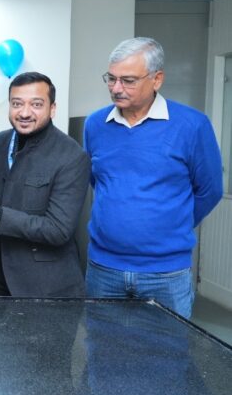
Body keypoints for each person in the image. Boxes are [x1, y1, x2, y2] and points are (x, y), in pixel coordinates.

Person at [84, 37, 223, 318]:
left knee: (167, 346)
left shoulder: (192, 125)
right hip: (104, 269)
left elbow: (210, 191)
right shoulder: (95, 125)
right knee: (102, 344)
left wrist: (171, 224)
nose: (116, 88)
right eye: (111, 79)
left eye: (128, 80)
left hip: (166, 274)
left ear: (156, 79)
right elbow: (97, 181)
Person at [0, 72, 89, 297]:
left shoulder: (71, 156)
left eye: (36, 104)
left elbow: (58, 230)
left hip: (47, 284)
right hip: (1, 275)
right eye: (17, 104)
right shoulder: (1, 141)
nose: (24, 113)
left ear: (52, 109)